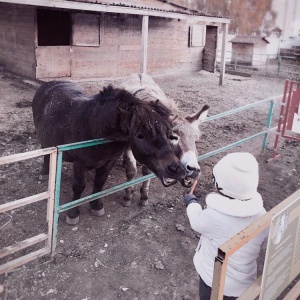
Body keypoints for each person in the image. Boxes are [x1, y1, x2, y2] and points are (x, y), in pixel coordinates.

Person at [184, 152, 268, 300]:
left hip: (213, 280)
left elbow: (196, 221)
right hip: (244, 284)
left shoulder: (215, 216)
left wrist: (192, 203)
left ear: (218, 184)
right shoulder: (262, 215)